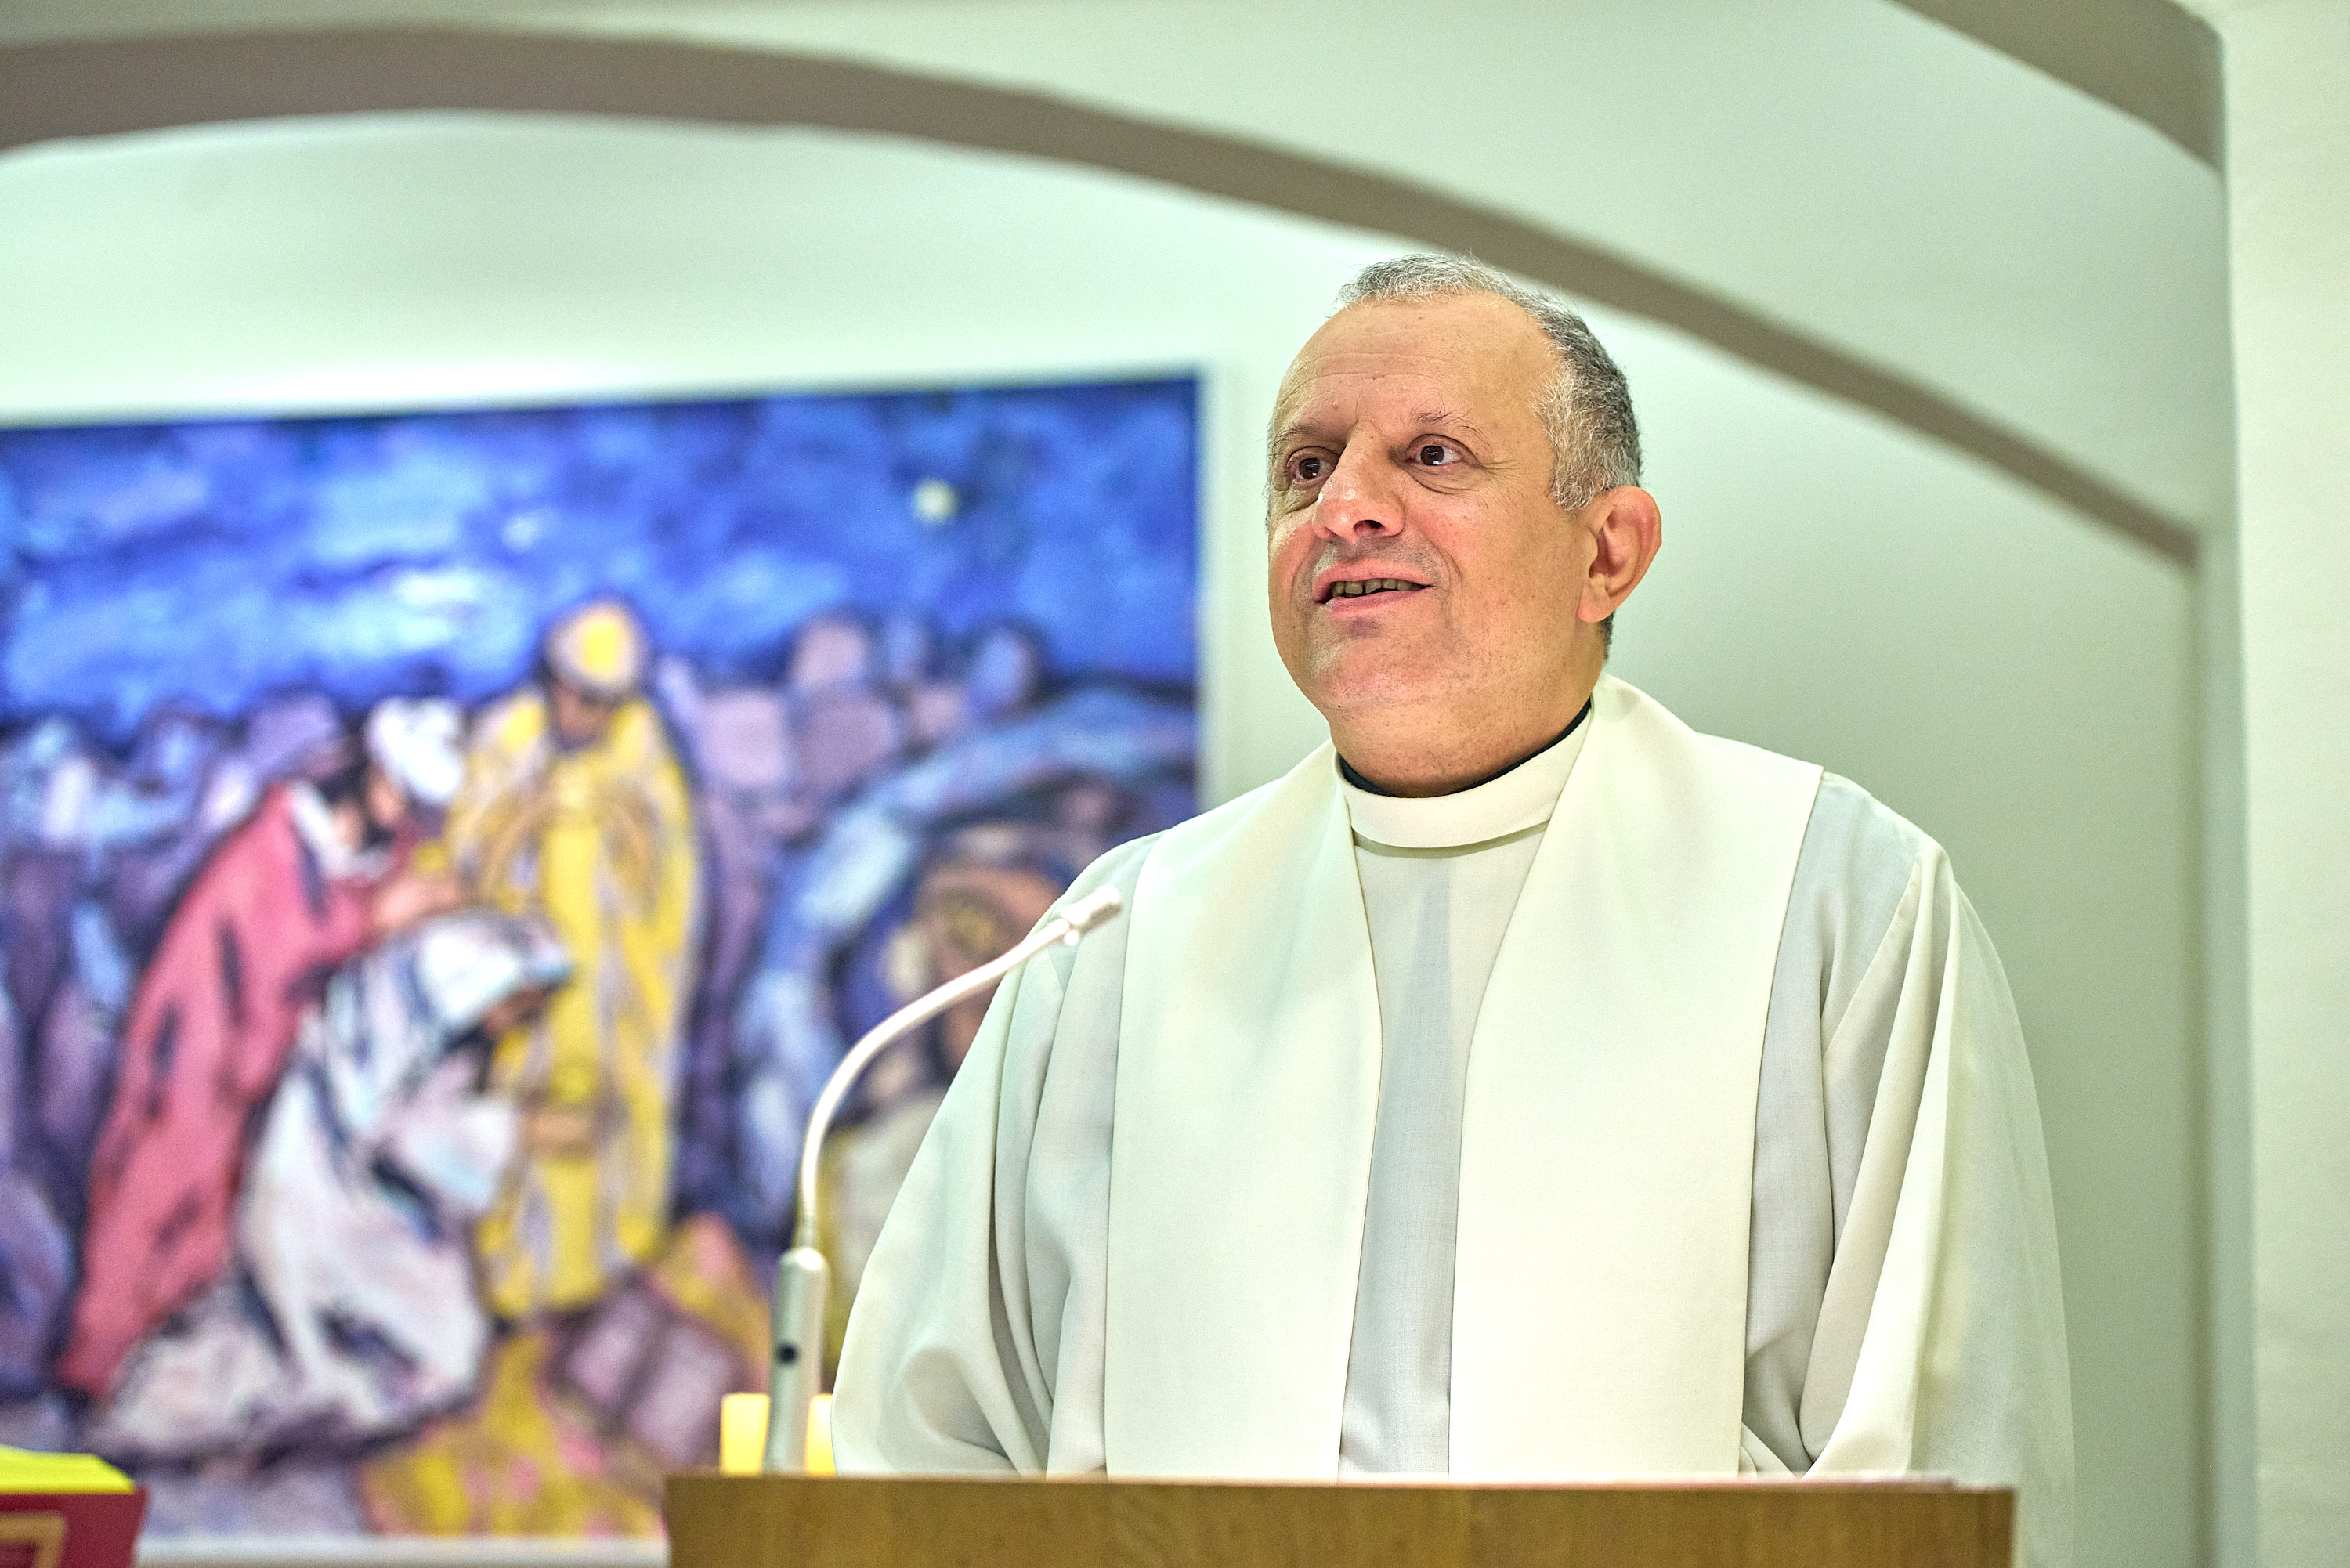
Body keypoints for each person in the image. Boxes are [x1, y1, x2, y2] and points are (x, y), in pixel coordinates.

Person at [831, 256, 2074, 1567]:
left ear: (1609, 551)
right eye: (1307, 466)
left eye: (1432, 456)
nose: (1347, 506)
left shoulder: (1832, 896)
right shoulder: (1120, 939)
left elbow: (1938, 1456)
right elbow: (931, 1452)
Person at [57, 699, 466, 1397]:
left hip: (263, 1066)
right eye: (400, 793)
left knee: (220, 1222)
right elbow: (275, 956)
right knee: (157, 1198)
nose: (406, 815)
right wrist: (375, 921)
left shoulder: (379, 860)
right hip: (202, 1049)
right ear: (370, 774)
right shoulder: (273, 847)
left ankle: (158, 1370)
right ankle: (97, 1366)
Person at [84, 911, 569, 1460]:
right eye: (517, 1005)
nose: (517, 1022)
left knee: (440, 1340)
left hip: (371, 1208)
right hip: (321, 1209)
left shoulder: (436, 1025)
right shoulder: (392, 1020)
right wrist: (512, 1129)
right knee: (391, 1348)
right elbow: (397, 1136)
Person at [444, 599, 700, 1319]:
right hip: (527, 986)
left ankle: (600, 1282)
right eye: (578, 696)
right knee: (524, 1132)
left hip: (611, 989)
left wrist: (619, 812)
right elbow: (471, 867)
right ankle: (515, 1292)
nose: (587, 715)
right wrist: (534, 811)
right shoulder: (509, 736)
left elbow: (667, 879)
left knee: (606, 1136)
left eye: (603, 703)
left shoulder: (642, 744)